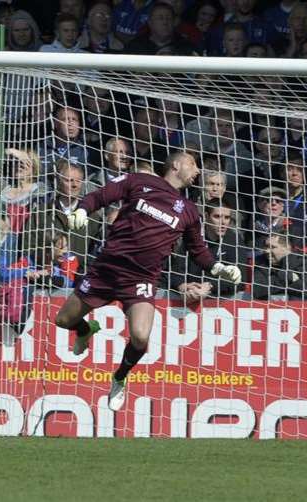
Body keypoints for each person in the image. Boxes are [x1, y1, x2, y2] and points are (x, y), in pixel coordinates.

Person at [54, 151, 242, 411]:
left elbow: (198, 251)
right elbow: (101, 195)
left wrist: (218, 267)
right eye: (193, 165)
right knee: (63, 320)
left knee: (141, 337)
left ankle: (120, 377)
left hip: (141, 278)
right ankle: (86, 330)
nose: (198, 171)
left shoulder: (188, 210)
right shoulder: (140, 181)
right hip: (107, 268)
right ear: (175, 165)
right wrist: (83, 210)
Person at [168, 199, 247, 301]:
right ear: (206, 216)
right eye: (217, 216)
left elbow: (240, 280)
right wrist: (182, 286)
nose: (223, 222)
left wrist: (209, 286)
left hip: (219, 300)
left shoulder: (234, 240)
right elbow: (175, 272)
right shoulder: (193, 237)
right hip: (190, 295)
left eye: (227, 217)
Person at [251, 233, 307, 300]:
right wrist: (286, 277)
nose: (266, 251)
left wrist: (271, 283)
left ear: (287, 248)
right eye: (266, 246)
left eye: (272, 247)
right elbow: (257, 290)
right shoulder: (261, 261)